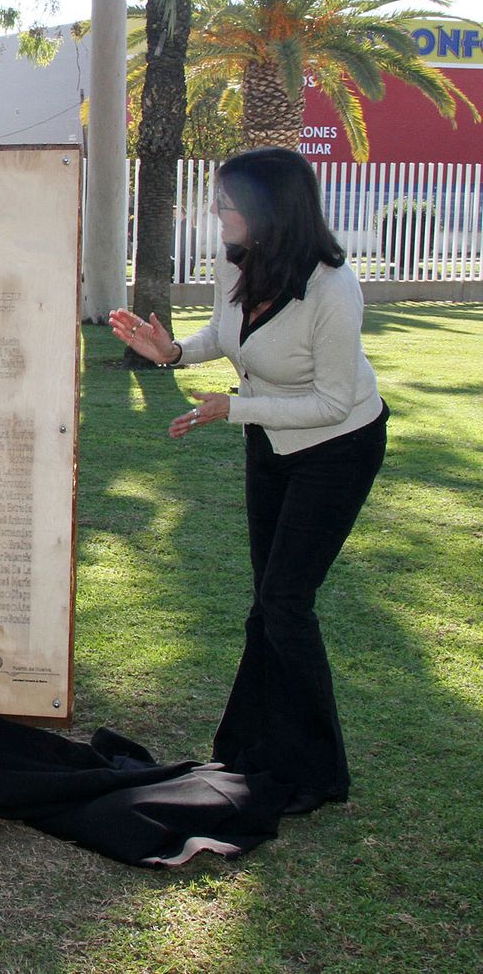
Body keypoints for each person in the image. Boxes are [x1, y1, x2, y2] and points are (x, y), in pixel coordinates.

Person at [109, 147, 389, 815]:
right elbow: (229, 334)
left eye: (227, 202)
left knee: (288, 601)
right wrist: (175, 352)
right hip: (270, 445)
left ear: (269, 210)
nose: (215, 212)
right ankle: (246, 749)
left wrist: (235, 406)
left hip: (338, 448)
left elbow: (331, 400)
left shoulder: (332, 287)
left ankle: (319, 773)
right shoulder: (237, 262)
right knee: (268, 602)